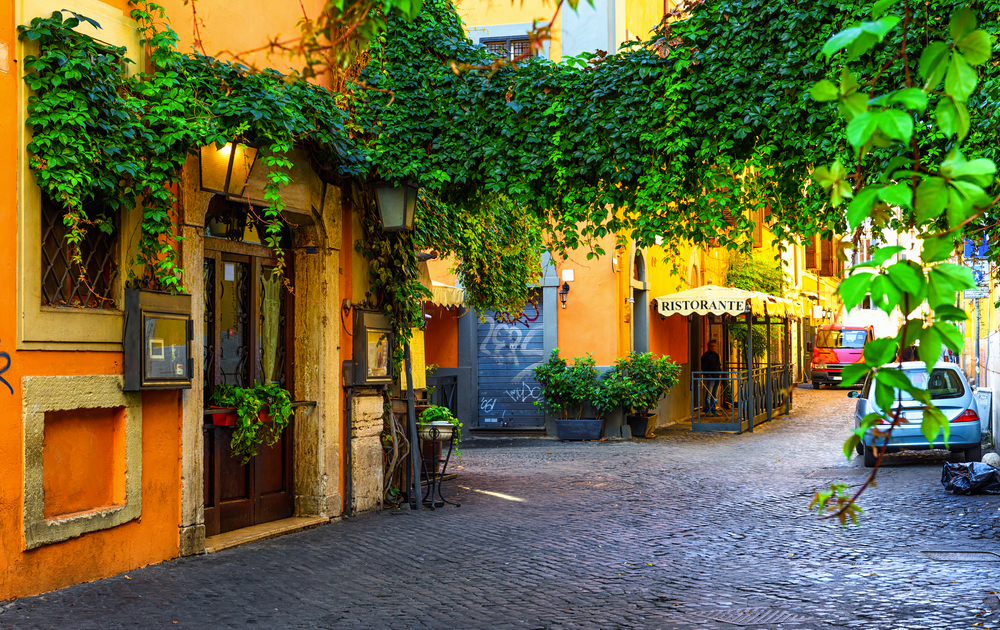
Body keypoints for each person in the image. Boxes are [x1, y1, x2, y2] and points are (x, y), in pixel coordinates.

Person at [701, 340, 722, 415]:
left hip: (717, 376)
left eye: (714, 346)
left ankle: (713, 409)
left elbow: (718, 365)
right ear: (708, 347)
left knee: (715, 394)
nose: (713, 347)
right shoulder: (705, 356)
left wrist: (719, 373)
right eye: (712, 346)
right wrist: (708, 374)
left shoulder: (716, 355)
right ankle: (707, 409)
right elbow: (704, 367)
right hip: (710, 376)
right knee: (709, 393)